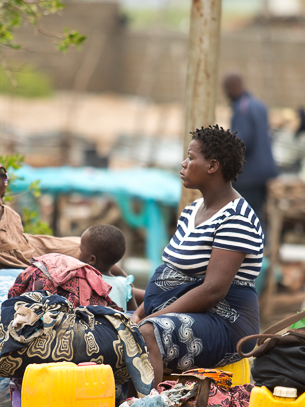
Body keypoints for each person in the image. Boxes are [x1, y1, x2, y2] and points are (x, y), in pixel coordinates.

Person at [131, 125, 263, 387]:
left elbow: (212, 290)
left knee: (149, 333)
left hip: (226, 323)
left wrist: (150, 320)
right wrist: (138, 313)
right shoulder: (192, 210)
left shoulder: (236, 219)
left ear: (212, 166)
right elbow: (169, 275)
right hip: (184, 311)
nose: (183, 163)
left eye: (191, 158)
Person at [0, 157, 81, 288]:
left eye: (1, 196)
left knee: (83, 248)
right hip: (33, 271)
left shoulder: (8, 215)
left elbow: (27, 252)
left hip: (44, 253)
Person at [222, 72, 279, 232]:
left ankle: (257, 254)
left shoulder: (242, 109)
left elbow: (241, 142)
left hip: (249, 175)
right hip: (265, 171)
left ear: (230, 89)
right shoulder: (259, 105)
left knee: (245, 219)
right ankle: (263, 252)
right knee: (256, 216)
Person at [77, 224, 137, 311]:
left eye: (81, 250)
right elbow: (133, 315)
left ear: (92, 259)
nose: (79, 253)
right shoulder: (125, 285)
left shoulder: (82, 279)